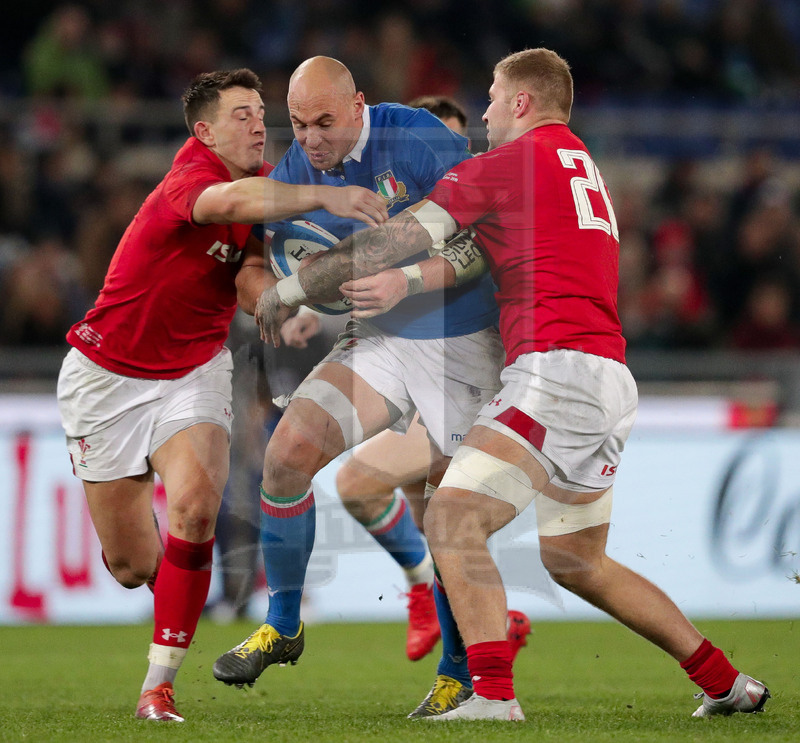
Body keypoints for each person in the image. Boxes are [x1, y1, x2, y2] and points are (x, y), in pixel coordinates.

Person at [251, 48, 772, 722]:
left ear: (523, 102)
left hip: (555, 372)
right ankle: (726, 680)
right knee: (577, 559)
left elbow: (397, 239)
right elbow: (469, 258)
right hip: (606, 376)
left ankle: (492, 694)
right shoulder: (577, 163)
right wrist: (408, 286)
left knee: (450, 514)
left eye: (494, 97)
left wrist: (292, 288)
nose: (486, 112)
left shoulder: (510, 164)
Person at [55, 67, 387, 723]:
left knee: (197, 509)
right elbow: (227, 208)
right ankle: (177, 587)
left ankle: (158, 689)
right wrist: (334, 199)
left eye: (261, 113)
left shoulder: (259, 191)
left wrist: (275, 304)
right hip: (107, 375)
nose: (258, 123)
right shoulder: (193, 178)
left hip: (194, 370)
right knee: (129, 565)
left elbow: (249, 268)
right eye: (241, 114)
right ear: (204, 131)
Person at [212, 56, 505, 704]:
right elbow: (261, 265)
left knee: (446, 509)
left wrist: (406, 277)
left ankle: (459, 672)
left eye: (323, 123)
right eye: (297, 124)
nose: (311, 139)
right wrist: (283, 301)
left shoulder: (421, 139)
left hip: (462, 335)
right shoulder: (295, 172)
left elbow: (488, 242)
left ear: (358, 106)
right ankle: (282, 625)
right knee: (286, 457)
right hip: (380, 337)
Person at [332, 91, 530, 666]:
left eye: (453, 145)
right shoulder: (402, 220)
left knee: (363, 486)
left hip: (475, 379)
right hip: (420, 375)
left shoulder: (481, 216)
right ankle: (486, 632)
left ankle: (438, 611)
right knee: (434, 519)